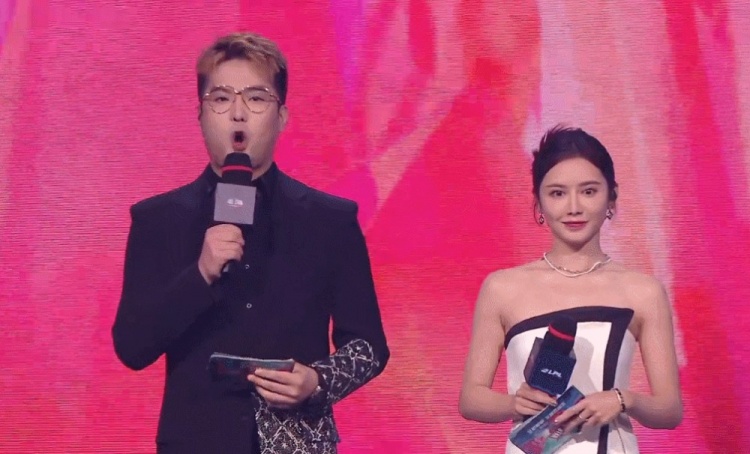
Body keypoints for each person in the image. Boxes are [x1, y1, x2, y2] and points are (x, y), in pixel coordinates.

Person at [111, 32, 389, 454]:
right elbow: (132, 347)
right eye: (221, 99)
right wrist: (200, 274)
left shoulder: (330, 220)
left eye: (257, 98)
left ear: (282, 116)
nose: (238, 113)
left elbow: (369, 346)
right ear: (200, 114)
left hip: (298, 444)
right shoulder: (158, 220)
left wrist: (317, 381)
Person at [458, 126, 682, 453]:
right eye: (557, 193)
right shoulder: (502, 288)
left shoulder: (643, 292)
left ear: (612, 197)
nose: (574, 207)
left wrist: (623, 399)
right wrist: (513, 403)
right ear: (538, 203)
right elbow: (471, 399)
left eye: (589, 191)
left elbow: (670, 410)